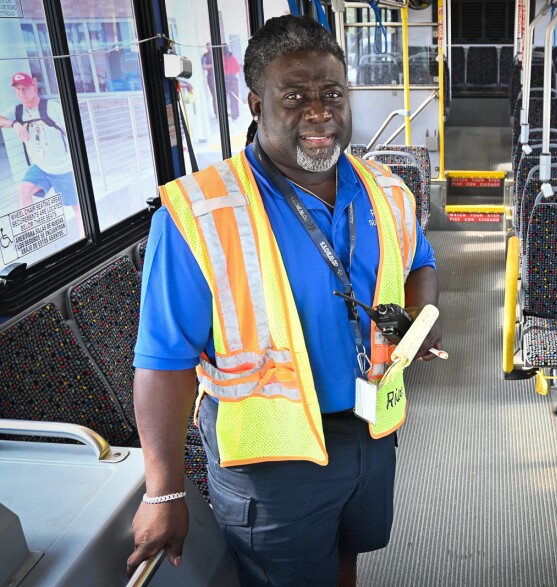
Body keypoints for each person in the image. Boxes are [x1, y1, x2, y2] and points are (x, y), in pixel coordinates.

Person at [127, 15, 441, 587]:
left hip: (370, 430)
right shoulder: (199, 214)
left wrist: (418, 318)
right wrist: (163, 488)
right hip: (269, 462)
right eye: (294, 97)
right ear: (255, 102)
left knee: (347, 557)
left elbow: (420, 262)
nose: (319, 113)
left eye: (332, 95)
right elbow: (162, 362)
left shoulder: (388, 190)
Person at [0, 72, 81, 228]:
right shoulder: (17, 112)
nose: (21, 92)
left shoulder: (52, 107)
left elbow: (74, 131)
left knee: (78, 208)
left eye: (25, 88)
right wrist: (14, 124)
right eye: (18, 89)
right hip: (41, 167)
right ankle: (28, 231)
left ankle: (84, 237)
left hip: (63, 168)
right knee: (24, 190)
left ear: (34, 86)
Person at [223, 47, 241, 120]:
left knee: (225, 98)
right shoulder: (233, 58)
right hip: (233, 78)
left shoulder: (221, 58)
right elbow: (238, 69)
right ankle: (235, 115)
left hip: (225, 79)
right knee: (234, 97)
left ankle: (225, 114)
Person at [201, 43, 218, 118]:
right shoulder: (205, 56)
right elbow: (204, 66)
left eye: (211, 46)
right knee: (215, 95)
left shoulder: (216, 54)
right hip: (211, 77)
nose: (210, 48)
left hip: (217, 76)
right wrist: (213, 65)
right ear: (207, 47)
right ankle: (217, 113)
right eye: (209, 47)